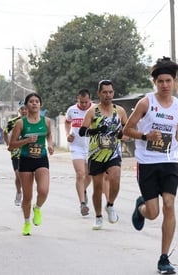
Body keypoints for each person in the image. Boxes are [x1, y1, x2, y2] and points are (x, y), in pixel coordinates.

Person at [123, 57, 178, 274]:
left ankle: (163, 258)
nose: (164, 85)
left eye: (168, 80)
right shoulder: (146, 103)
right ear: (155, 83)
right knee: (153, 213)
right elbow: (126, 130)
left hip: (169, 162)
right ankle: (141, 208)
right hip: (148, 163)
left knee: (169, 204)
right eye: (160, 81)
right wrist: (145, 135)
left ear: (174, 82)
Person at [79, 80, 128, 230]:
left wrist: (123, 135)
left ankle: (110, 205)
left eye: (110, 92)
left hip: (113, 152)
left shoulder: (119, 111)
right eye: (105, 92)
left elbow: (127, 128)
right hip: (96, 154)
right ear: (99, 93)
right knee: (98, 187)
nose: (108, 95)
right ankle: (98, 216)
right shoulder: (92, 111)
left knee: (116, 179)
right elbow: (82, 131)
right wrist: (96, 130)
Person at [8, 93, 54, 236]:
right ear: (26, 105)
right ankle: (27, 222)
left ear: (40, 104)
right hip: (26, 159)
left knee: (44, 190)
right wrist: (26, 141)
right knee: (27, 197)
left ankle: (38, 208)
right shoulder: (21, 123)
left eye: (37, 101)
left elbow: (49, 135)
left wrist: (50, 145)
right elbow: (11, 146)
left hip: (41, 158)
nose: (34, 104)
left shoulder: (46, 121)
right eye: (31, 102)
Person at [65, 88, 93, 216]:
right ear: (78, 99)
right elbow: (67, 122)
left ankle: (83, 190)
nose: (83, 105)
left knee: (89, 176)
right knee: (80, 174)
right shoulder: (71, 110)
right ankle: (82, 204)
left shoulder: (95, 109)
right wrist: (67, 134)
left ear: (90, 99)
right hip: (76, 146)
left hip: (92, 146)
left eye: (86, 102)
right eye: (81, 102)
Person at [4, 101, 28, 206]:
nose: (24, 111)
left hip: (29, 152)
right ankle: (19, 192)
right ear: (19, 111)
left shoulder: (33, 121)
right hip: (16, 152)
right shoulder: (13, 122)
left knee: (27, 175)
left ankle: (27, 196)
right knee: (18, 175)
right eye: (22, 109)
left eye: (26, 109)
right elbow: (5, 132)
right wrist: (8, 144)